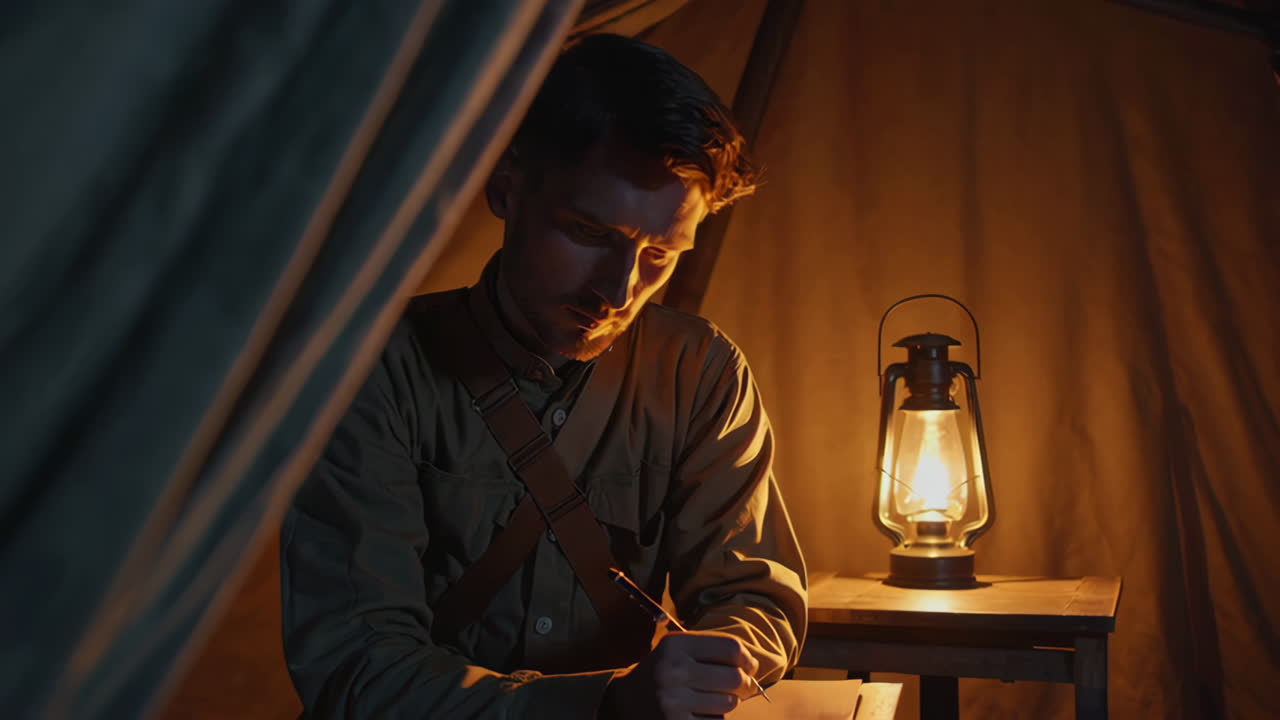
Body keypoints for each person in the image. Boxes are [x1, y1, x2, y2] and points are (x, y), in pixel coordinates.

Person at [281, 33, 807, 719]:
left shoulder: (701, 374)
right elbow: (357, 670)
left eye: (660, 254)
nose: (618, 290)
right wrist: (605, 707)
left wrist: (728, 652)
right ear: (507, 189)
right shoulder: (371, 370)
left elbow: (756, 596)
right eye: (590, 234)